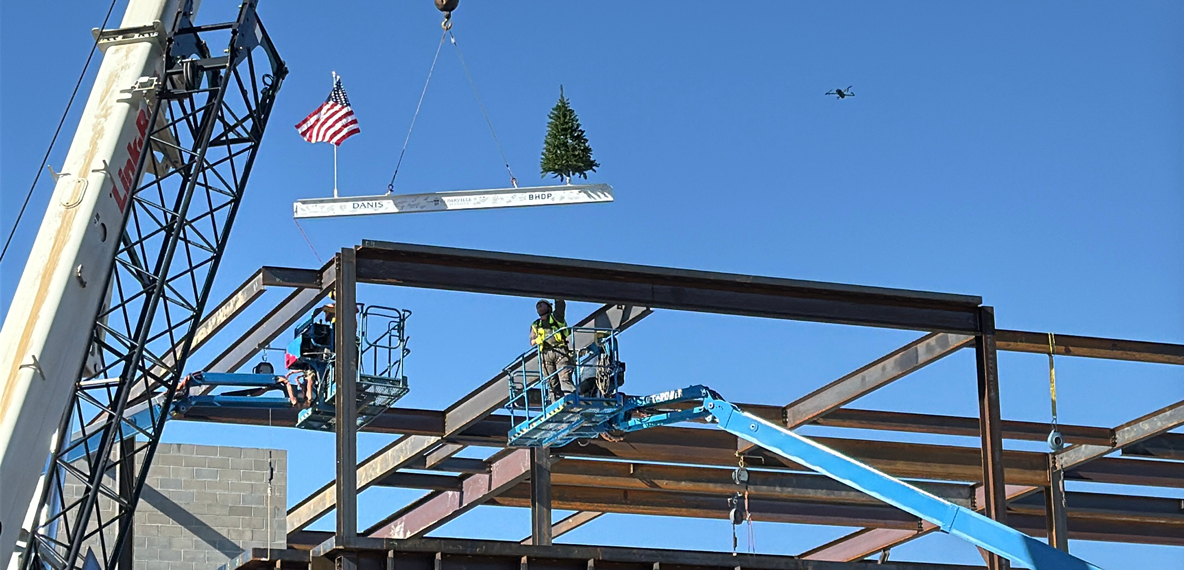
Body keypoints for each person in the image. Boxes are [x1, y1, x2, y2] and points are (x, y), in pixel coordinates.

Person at [531, 299, 574, 401]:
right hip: (545, 355)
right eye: (538, 306)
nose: (539, 307)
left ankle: (571, 400)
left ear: (548, 307)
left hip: (560, 351)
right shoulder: (536, 324)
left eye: (542, 305)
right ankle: (556, 402)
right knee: (551, 383)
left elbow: (560, 305)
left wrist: (556, 293)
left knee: (564, 379)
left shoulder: (556, 318)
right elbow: (532, 342)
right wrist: (539, 339)